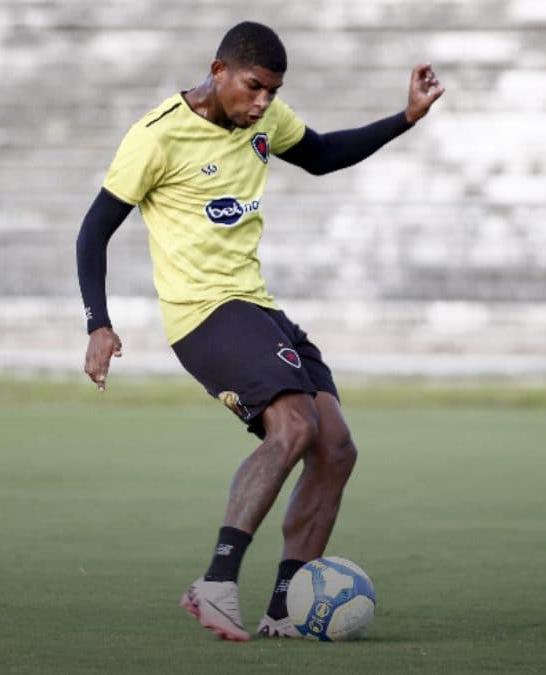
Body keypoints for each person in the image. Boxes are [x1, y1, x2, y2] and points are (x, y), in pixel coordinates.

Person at [75, 21, 443, 641]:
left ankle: (284, 609)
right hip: (203, 315)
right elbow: (93, 231)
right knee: (294, 425)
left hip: (257, 307)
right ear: (218, 71)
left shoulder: (264, 121)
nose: (263, 102)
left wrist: (406, 117)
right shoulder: (156, 136)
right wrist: (99, 323)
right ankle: (216, 581)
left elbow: (322, 156)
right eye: (254, 87)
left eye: (273, 91)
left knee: (336, 448)